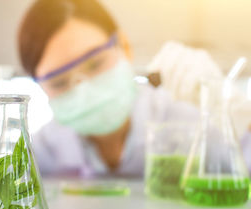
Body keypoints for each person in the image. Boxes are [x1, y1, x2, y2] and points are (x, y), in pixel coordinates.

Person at [17, 0, 251, 177]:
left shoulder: (191, 116)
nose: (84, 89)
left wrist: (242, 115)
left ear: (124, 46)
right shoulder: (41, 151)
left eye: (95, 63)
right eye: (59, 82)